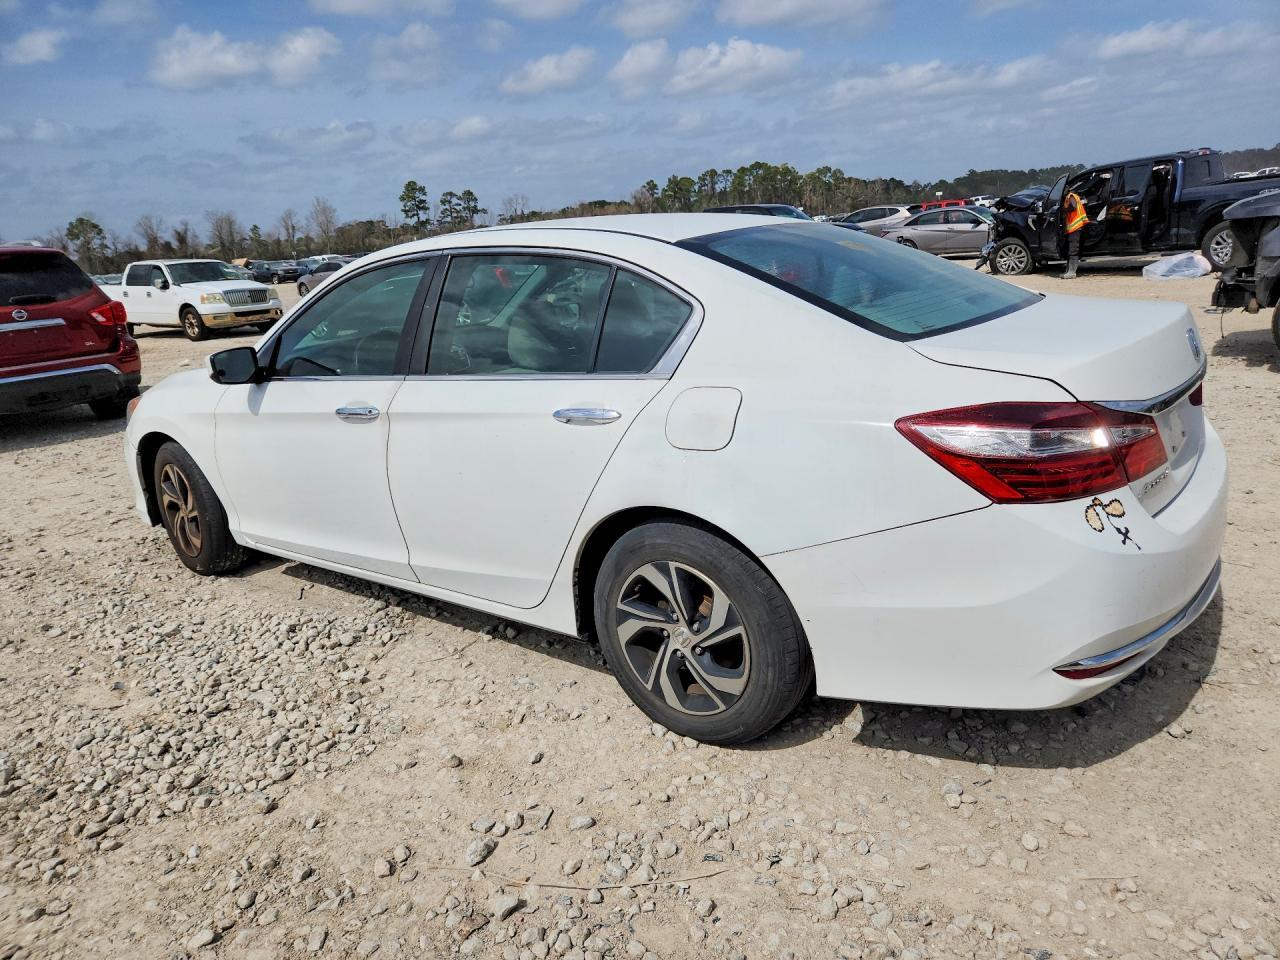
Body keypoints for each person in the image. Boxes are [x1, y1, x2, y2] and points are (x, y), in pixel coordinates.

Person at [1061, 187, 1089, 279]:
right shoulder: (1074, 196)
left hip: (1075, 227)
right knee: (1071, 249)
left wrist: (1063, 209)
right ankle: (1068, 271)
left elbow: (1073, 207)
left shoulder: (1071, 196)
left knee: (1073, 249)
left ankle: (1072, 272)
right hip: (1076, 226)